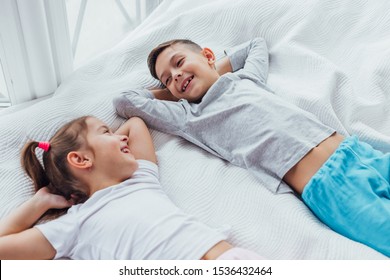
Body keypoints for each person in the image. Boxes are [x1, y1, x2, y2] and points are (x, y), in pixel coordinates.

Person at [113, 38, 390, 257]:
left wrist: (210, 70)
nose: (175, 75)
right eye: (166, 78)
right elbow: (125, 100)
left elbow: (255, 45)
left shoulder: (247, 79)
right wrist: (173, 90)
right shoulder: (191, 117)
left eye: (179, 62)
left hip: (357, 152)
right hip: (330, 188)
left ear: (208, 56)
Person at [0, 116, 263, 260]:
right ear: (80, 159)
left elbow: (135, 123)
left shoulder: (140, 178)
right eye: (106, 132)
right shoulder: (74, 225)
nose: (121, 135)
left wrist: (107, 144)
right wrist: (39, 203)